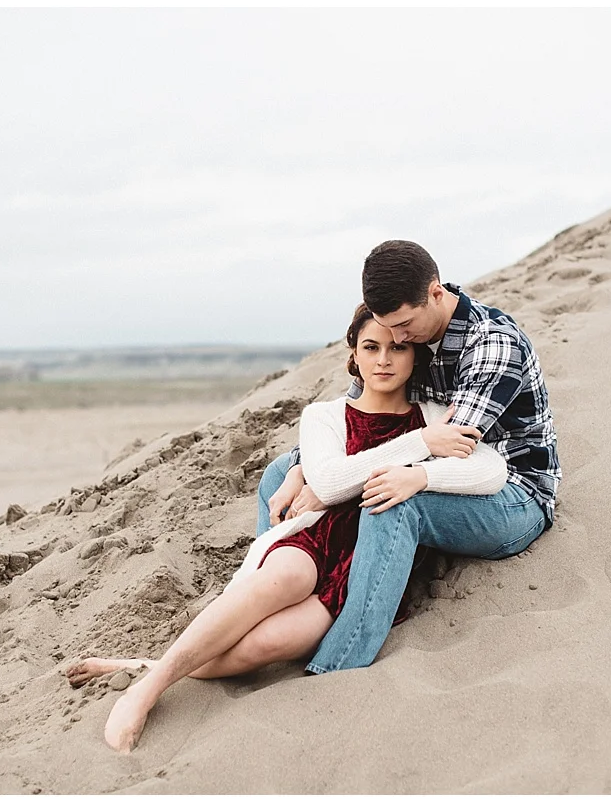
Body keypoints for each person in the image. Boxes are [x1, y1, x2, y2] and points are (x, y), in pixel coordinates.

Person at [65, 303, 514, 753]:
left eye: (398, 348)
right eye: (371, 348)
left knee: (265, 646)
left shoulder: (435, 415)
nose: (384, 360)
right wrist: (419, 446)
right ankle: (144, 692)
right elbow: (329, 480)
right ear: (353, 357)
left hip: (367, 564)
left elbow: (491, 470)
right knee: (284, 577)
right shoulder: (325, 415)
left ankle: (141, 664)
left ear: (415, 356)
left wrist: (424, 471)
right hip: (315, 538)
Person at [260, 239, 560, 676]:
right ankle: (266, 599)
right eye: (385, 329)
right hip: (432, 468)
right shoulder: (412, 336)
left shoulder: (492, 345)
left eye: (402, 327)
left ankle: (336, 665)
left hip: (511, 492)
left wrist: (383, 481)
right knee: (277, 475)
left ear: (435, 293)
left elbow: (458, 451)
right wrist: (303, 469)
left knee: (393, 502)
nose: (396, 340)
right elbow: (358, 422)